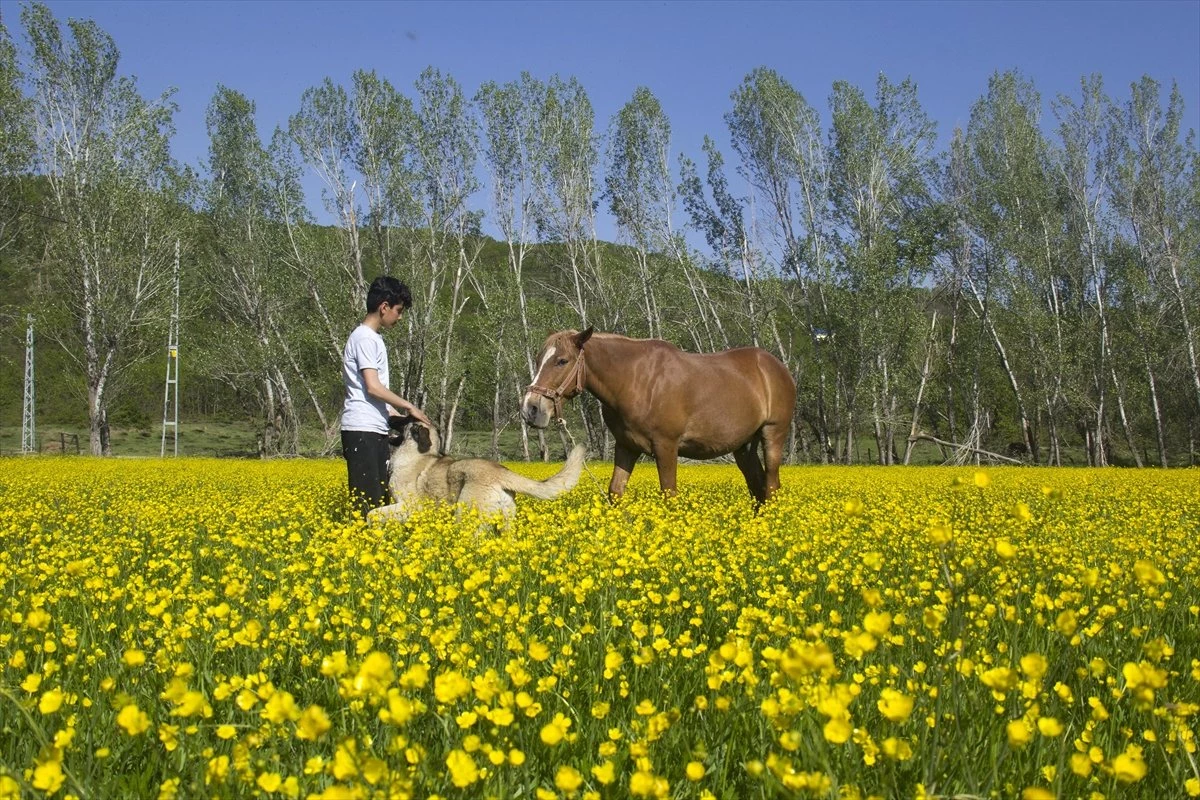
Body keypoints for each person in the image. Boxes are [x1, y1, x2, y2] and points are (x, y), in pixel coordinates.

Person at [341, 276, 433, 519]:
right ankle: (361, 552)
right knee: (367, 506)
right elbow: (372, 387)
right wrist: (407, 405)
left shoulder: (373, 339)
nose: (400, 317)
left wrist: (396, 417)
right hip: (361, 429)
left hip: (374, 427)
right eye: (399, 310)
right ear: (384, 307)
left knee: (380, 504)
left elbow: (372, 393)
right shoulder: (364, 338)